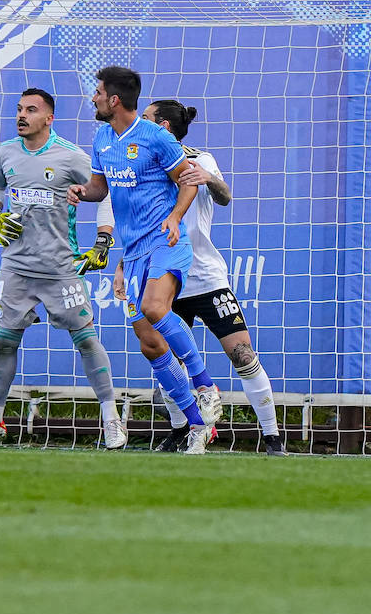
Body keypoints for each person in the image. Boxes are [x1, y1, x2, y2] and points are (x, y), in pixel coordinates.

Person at [113, 99, 286, 456]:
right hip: (161, 274)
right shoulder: (140, 163)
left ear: (162, 126)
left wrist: (210, 178)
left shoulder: (199, 159)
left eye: (145, 118)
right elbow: (136, 223)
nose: (138, 124)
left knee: (242, 354)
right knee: (160, 356)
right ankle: (184, 429)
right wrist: (120, 265)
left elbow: (224, 197)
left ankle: (272, 437)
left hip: (205, 277)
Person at [68, 66, 220, 455]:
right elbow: (100, 188)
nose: (94, 98)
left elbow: (189, 179)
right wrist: (81, 191)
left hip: (166, 240)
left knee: (155, 308)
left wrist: (174, 217)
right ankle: (197, 425)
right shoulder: (103, 136)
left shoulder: (156, 137)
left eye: (98, 92)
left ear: (114, 100)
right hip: (133, 251)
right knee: (149, 343)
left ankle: (205, 385)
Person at [0, 88, 126, 450]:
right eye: (18, 109)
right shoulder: (6, 152)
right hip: (17, 267)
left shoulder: (71, 155)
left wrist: (103, 241)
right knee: (5, 343)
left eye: (31, 110)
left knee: (87, 339)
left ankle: (111, 419)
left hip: (61, 269)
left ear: (49, 118)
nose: (21, 116)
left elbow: (105, 195)